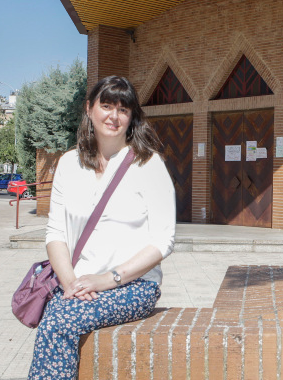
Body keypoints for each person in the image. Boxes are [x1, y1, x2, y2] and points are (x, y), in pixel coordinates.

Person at [28, 76, 176, 379]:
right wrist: (71, 283)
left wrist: (105, 280)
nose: (114, 116)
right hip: (77, 285)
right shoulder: (69, 164)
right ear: (89, 109)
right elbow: (55, 233)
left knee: (59, 321)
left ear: (132, 116)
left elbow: (163, 242)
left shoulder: (149, 165)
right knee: (57, 317)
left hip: (133, 286)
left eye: (123, 109)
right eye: (106, 105)